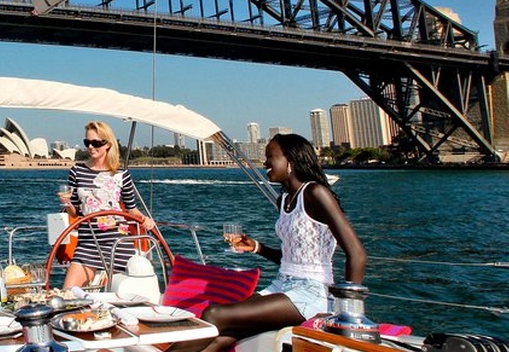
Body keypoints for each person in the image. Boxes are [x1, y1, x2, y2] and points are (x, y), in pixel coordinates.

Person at [171, 133, 367, 352]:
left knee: (214, 314)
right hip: (282, 285)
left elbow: (357, 253)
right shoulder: (284, 200)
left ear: (290, 161)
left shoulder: (315, 193)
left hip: (313, 293)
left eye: (270, 156)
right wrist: (257, 247)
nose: (265, 163)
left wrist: (347, 312)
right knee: (225, 334)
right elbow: (293, 259)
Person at [57, 120, 156, 288]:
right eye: (87, 142)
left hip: (118, 242)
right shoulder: (77, 171)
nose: (90, 147)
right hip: (88, 242)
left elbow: (131, 209)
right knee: (68, 293)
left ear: (108, 144)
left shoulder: (122, 174)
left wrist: (146, 219)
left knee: (126, 294)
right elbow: (75, 213)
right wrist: (66, 203)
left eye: (96, 143)